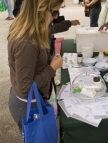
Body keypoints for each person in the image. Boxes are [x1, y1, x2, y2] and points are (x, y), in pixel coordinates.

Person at [7, 0, 64, 131]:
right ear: (40, 10)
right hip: (29, 106)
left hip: (35, 100)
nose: (56, 17)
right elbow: (25, 88)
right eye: (54, 12)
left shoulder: (33, 30)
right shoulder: (26, 42)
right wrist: (52, 68)